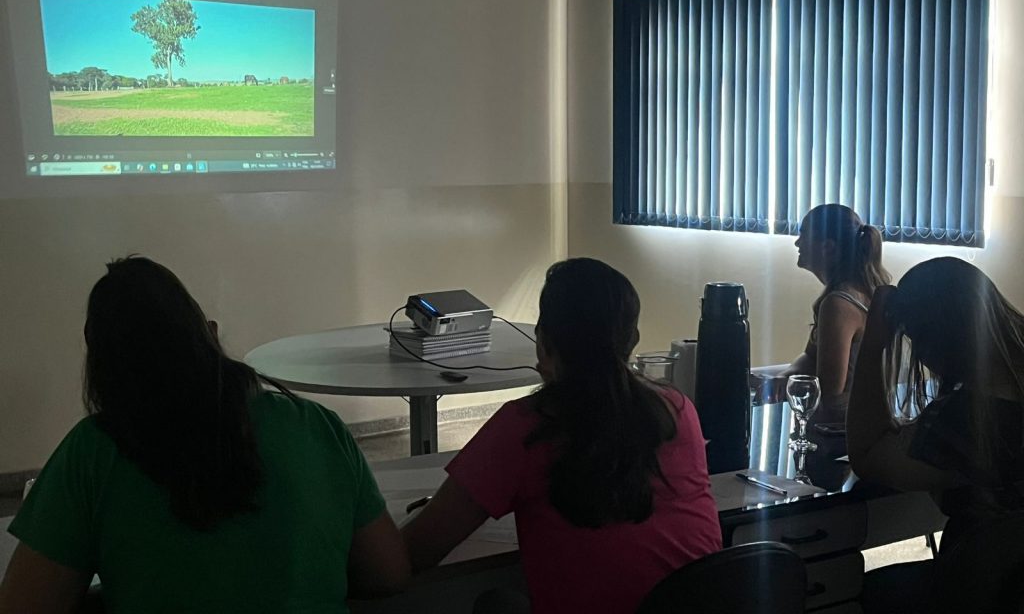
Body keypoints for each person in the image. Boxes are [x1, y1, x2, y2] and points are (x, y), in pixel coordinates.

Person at [0, 257, 409, 614]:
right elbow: (388, 574)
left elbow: (25, 605)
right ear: (208, 333)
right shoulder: (315, 425)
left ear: (100, 361)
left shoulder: (93, 451)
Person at [401, 257, 722, 614]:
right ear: (633, 338)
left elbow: (413, 553)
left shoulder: (525, 428)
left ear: (544, 341)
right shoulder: (676, 410)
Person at [848, 257, 1024, 613]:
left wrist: (872, 348)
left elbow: (868, 454)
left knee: (855, 589)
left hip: (981, 590)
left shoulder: (968, 420)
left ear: (933, 342)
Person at [783, 204, 890, 423]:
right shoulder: (865, 293)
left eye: (803, 235)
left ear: (828, 247)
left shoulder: (838, 304)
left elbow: (829, 393)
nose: (797, 243)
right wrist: (782, 378)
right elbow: (810, 357)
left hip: (841, 433)